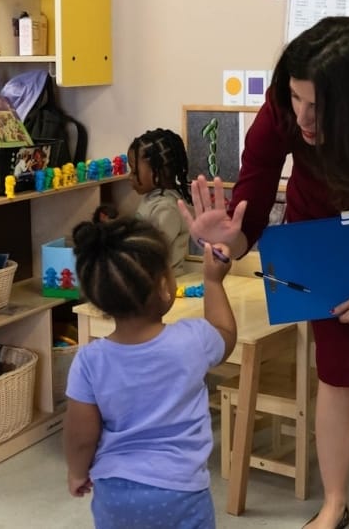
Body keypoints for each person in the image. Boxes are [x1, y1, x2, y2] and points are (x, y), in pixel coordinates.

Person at [179, 16, 349, 529]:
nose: (303, 118)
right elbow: (256, 188)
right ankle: (333, 505)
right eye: (296, 98)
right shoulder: (287, 104)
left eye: (318, 107)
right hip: (322, 238)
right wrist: (229, 240)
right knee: (336, 370)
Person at [63, 216, 236, 529]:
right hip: (182, 490)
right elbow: (224, 333)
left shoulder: (89, 360)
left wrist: (77, 472)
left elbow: (80, 437)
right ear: (163, 286)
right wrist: (213, 282)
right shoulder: (192, 341)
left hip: (116, 493)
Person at [127, 128, 193, 273]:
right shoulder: (153, 198)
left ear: (161, 171)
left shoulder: (167, 208)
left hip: (165, 281)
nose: (130, 177)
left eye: (135, 171)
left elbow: (152, 251)